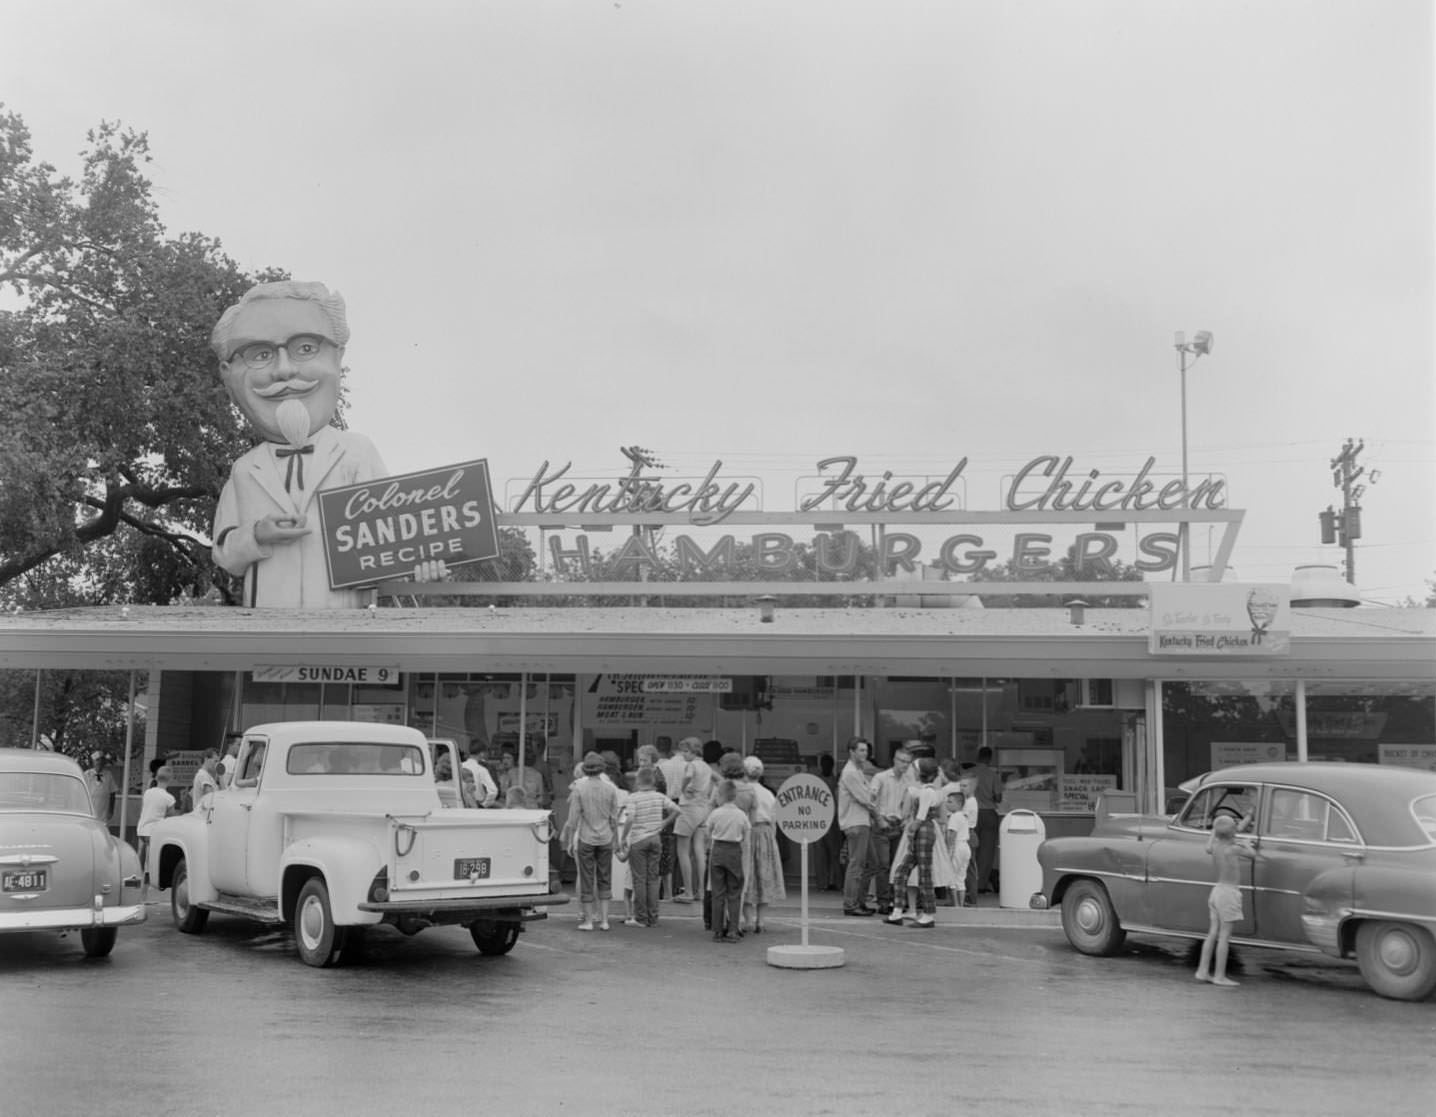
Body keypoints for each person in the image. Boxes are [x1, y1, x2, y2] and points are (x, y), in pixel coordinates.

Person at [209, 280, 442, 608]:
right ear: (228, 374)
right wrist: (258, 534)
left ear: (339, 357)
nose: (285, 370)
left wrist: (421, 562)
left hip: (346, 633)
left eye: (305, 348)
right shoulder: (245, 470)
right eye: (259, 355)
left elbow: (394, 540)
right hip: (271, 632)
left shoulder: (358, 454)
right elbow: (225, 554)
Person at [1195, 814, 1258, 987]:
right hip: (1229, 893)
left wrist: (1213, 833)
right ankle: (1220, 976)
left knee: (1213, 932)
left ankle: (1202, 971)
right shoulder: (1234, 849)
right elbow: (1252, 855)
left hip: (1216, 892)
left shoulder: (1214, 847)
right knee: (1224, 936)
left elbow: (1208, 847)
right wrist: (1246, 843)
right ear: (1233, 833)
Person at [561, 751, 621, 932]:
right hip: (606, 838)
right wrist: (616, 840)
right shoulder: (610, 788)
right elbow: (614, 818)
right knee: (605, 877)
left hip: (586, 837)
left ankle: (588, 920)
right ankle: (604, 920)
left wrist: (570, 841)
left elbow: (572, 819)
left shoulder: (580, 788)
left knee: (587, 878)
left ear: (585, 770)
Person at [885, 757, 944, 928]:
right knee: (903, 871)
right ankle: (898, 911)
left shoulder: (927, 792)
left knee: (921, 874)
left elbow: (920, 817)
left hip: (922, 830)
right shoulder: (930, 790)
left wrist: (910, 830)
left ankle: (928, 914)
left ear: (921, 773)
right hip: (926, 831)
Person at [620, 766, 680, 927]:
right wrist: (665, 822)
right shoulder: (659, 796)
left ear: (638, 781)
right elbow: (677, 809)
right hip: (655, 839)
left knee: (639, 880)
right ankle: (653, 917)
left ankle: (641, 917)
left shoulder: (633, 798)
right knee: (653, 879)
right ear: (652, 781)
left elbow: (631, 818)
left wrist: (623, 837)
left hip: (639, 840)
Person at [739, 756, 785, 935]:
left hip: (749, 832)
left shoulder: (743, 792)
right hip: (766, 834)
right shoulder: (768, 793)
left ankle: (748, 920)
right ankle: (761, 921)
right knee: (764, 877)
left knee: (748, 876)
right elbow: (774, 819)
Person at [869, 747, 914, 915]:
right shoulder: (880, 778)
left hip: (898, 825)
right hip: (882, 824)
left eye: (907, 762)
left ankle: (897, 900)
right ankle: (883, 901)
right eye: (901, 760)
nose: (904, 765)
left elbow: (909, 804)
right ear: (894, 760)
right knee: (883, 866)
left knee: (898, 866)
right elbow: (870, 801)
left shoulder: (908, 781)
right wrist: (879, 819)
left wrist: (906, 820)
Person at [838, 737, 880, 916]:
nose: (865, 754)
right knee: (857, 864)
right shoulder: (851, 773)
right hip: (856, 822)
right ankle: (851, 904)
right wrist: (880, 817)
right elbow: (867, 799)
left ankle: (859, 900)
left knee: (872, 863)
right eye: (861, 750)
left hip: (862, 822)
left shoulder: (858, 771)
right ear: (852, 752)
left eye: (866, 750)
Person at [706, 779, 750, 943]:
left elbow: (708, 831)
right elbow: (746, 834)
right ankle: (732, 930)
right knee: (734, 893)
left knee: (718, 893)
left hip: (717, 850)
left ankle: (717, 930)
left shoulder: (715, 813)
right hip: (734, 852)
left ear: (721, 796)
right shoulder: (741, 814)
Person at [672, 736, 713, 906]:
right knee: (699, 852)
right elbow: (717, 781)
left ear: (694, 751)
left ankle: (688, 891)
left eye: (686, 751)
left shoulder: (692, 765)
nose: (683, 755)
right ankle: (701, 891)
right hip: (703, 808)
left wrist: (682, 789)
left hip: (689, 808)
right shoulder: (707, 766)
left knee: (682, 850)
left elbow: (688, 776)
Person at [972, 746, 1003, 894]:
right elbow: (998, 798)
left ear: (978, 757)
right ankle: (980, 885)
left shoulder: (969, 773)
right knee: (986, 852)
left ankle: (968, 883)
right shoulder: (993, 775)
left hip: (971, 814)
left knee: (970, 850)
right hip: (988, 814)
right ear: (989, 758)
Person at [135, 766, 176, 874]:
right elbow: (171, 818)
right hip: (154, 832)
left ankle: (139, 871)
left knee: (145, 848)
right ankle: (147, 880)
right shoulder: (169, 798)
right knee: (151, 860)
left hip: (141, 830)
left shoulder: (148, 793)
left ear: (157, 778)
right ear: (170, 779)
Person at [943, 782, 973, 910]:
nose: (947, 804)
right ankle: (960, 905)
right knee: (961, 877)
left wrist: (948, 850)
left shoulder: (954, 817)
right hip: (966, 847)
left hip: (957, 847)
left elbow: (952, 835)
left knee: (952, 877)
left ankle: (955, 904)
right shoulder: (963, 816)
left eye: (950, 802)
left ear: (959, 804)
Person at [84, 753, 117, 825]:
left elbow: (112, 793)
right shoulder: (86, 774)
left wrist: (111, 810)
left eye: (102, 760)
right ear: (93, 762)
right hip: (89, 813)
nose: (100, 762)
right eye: (97, 760)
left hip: (103, 814)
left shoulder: (108, 775)